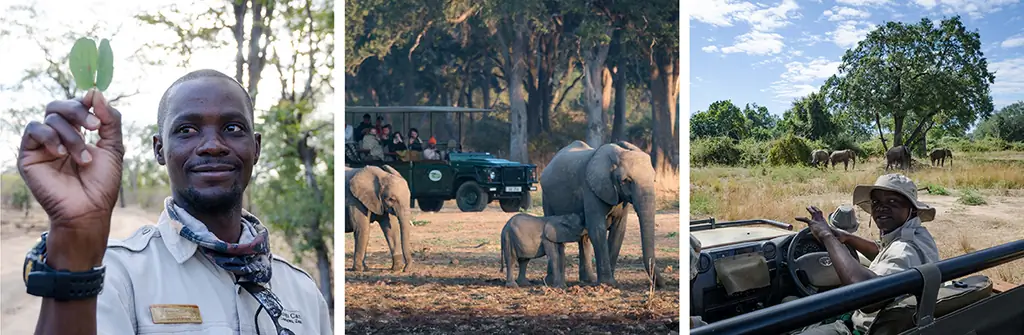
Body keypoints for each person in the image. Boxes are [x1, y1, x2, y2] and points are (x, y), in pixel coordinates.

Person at [16, 69, 332, 334]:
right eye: (187, 130)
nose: (212, 145)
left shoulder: (301, 290)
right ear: (159, 150)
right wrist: (73, 235)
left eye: (232, 128)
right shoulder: (112, 274)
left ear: (256, 147)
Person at [794, 173, 940, 335]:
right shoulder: (917, 236)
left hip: (864, 328)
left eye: (892, 201)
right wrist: (847, 237)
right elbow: (883, 252)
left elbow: (866, 296)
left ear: (912, 210)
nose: (881, 207)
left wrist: (826, 236)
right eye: (876, 202)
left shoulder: (904, 249)